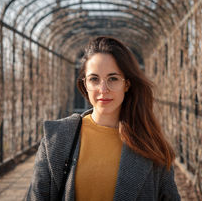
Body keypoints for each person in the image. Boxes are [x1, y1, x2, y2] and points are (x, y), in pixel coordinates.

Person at [27, 36, 180, 200]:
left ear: (126, 84)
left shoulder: (151, 145)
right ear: (85, 84)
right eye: (94, 79)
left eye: (113, 78)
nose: (103, 89)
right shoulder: (56, 138)